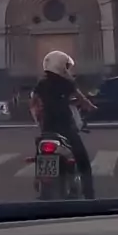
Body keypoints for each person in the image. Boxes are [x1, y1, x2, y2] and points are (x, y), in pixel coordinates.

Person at [30, 50, 97, 199]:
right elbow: (83, 100)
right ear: (59, 65)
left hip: (47, 128)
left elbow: (33, 103)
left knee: (40, 150)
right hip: (66, 127)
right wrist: (92, 108)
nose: (67, 70)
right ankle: (89, 195)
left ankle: (39, 180)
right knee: (83, 161)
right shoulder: (67, 84)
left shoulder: (41, 84)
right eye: (66, 66)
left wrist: (38, 117)